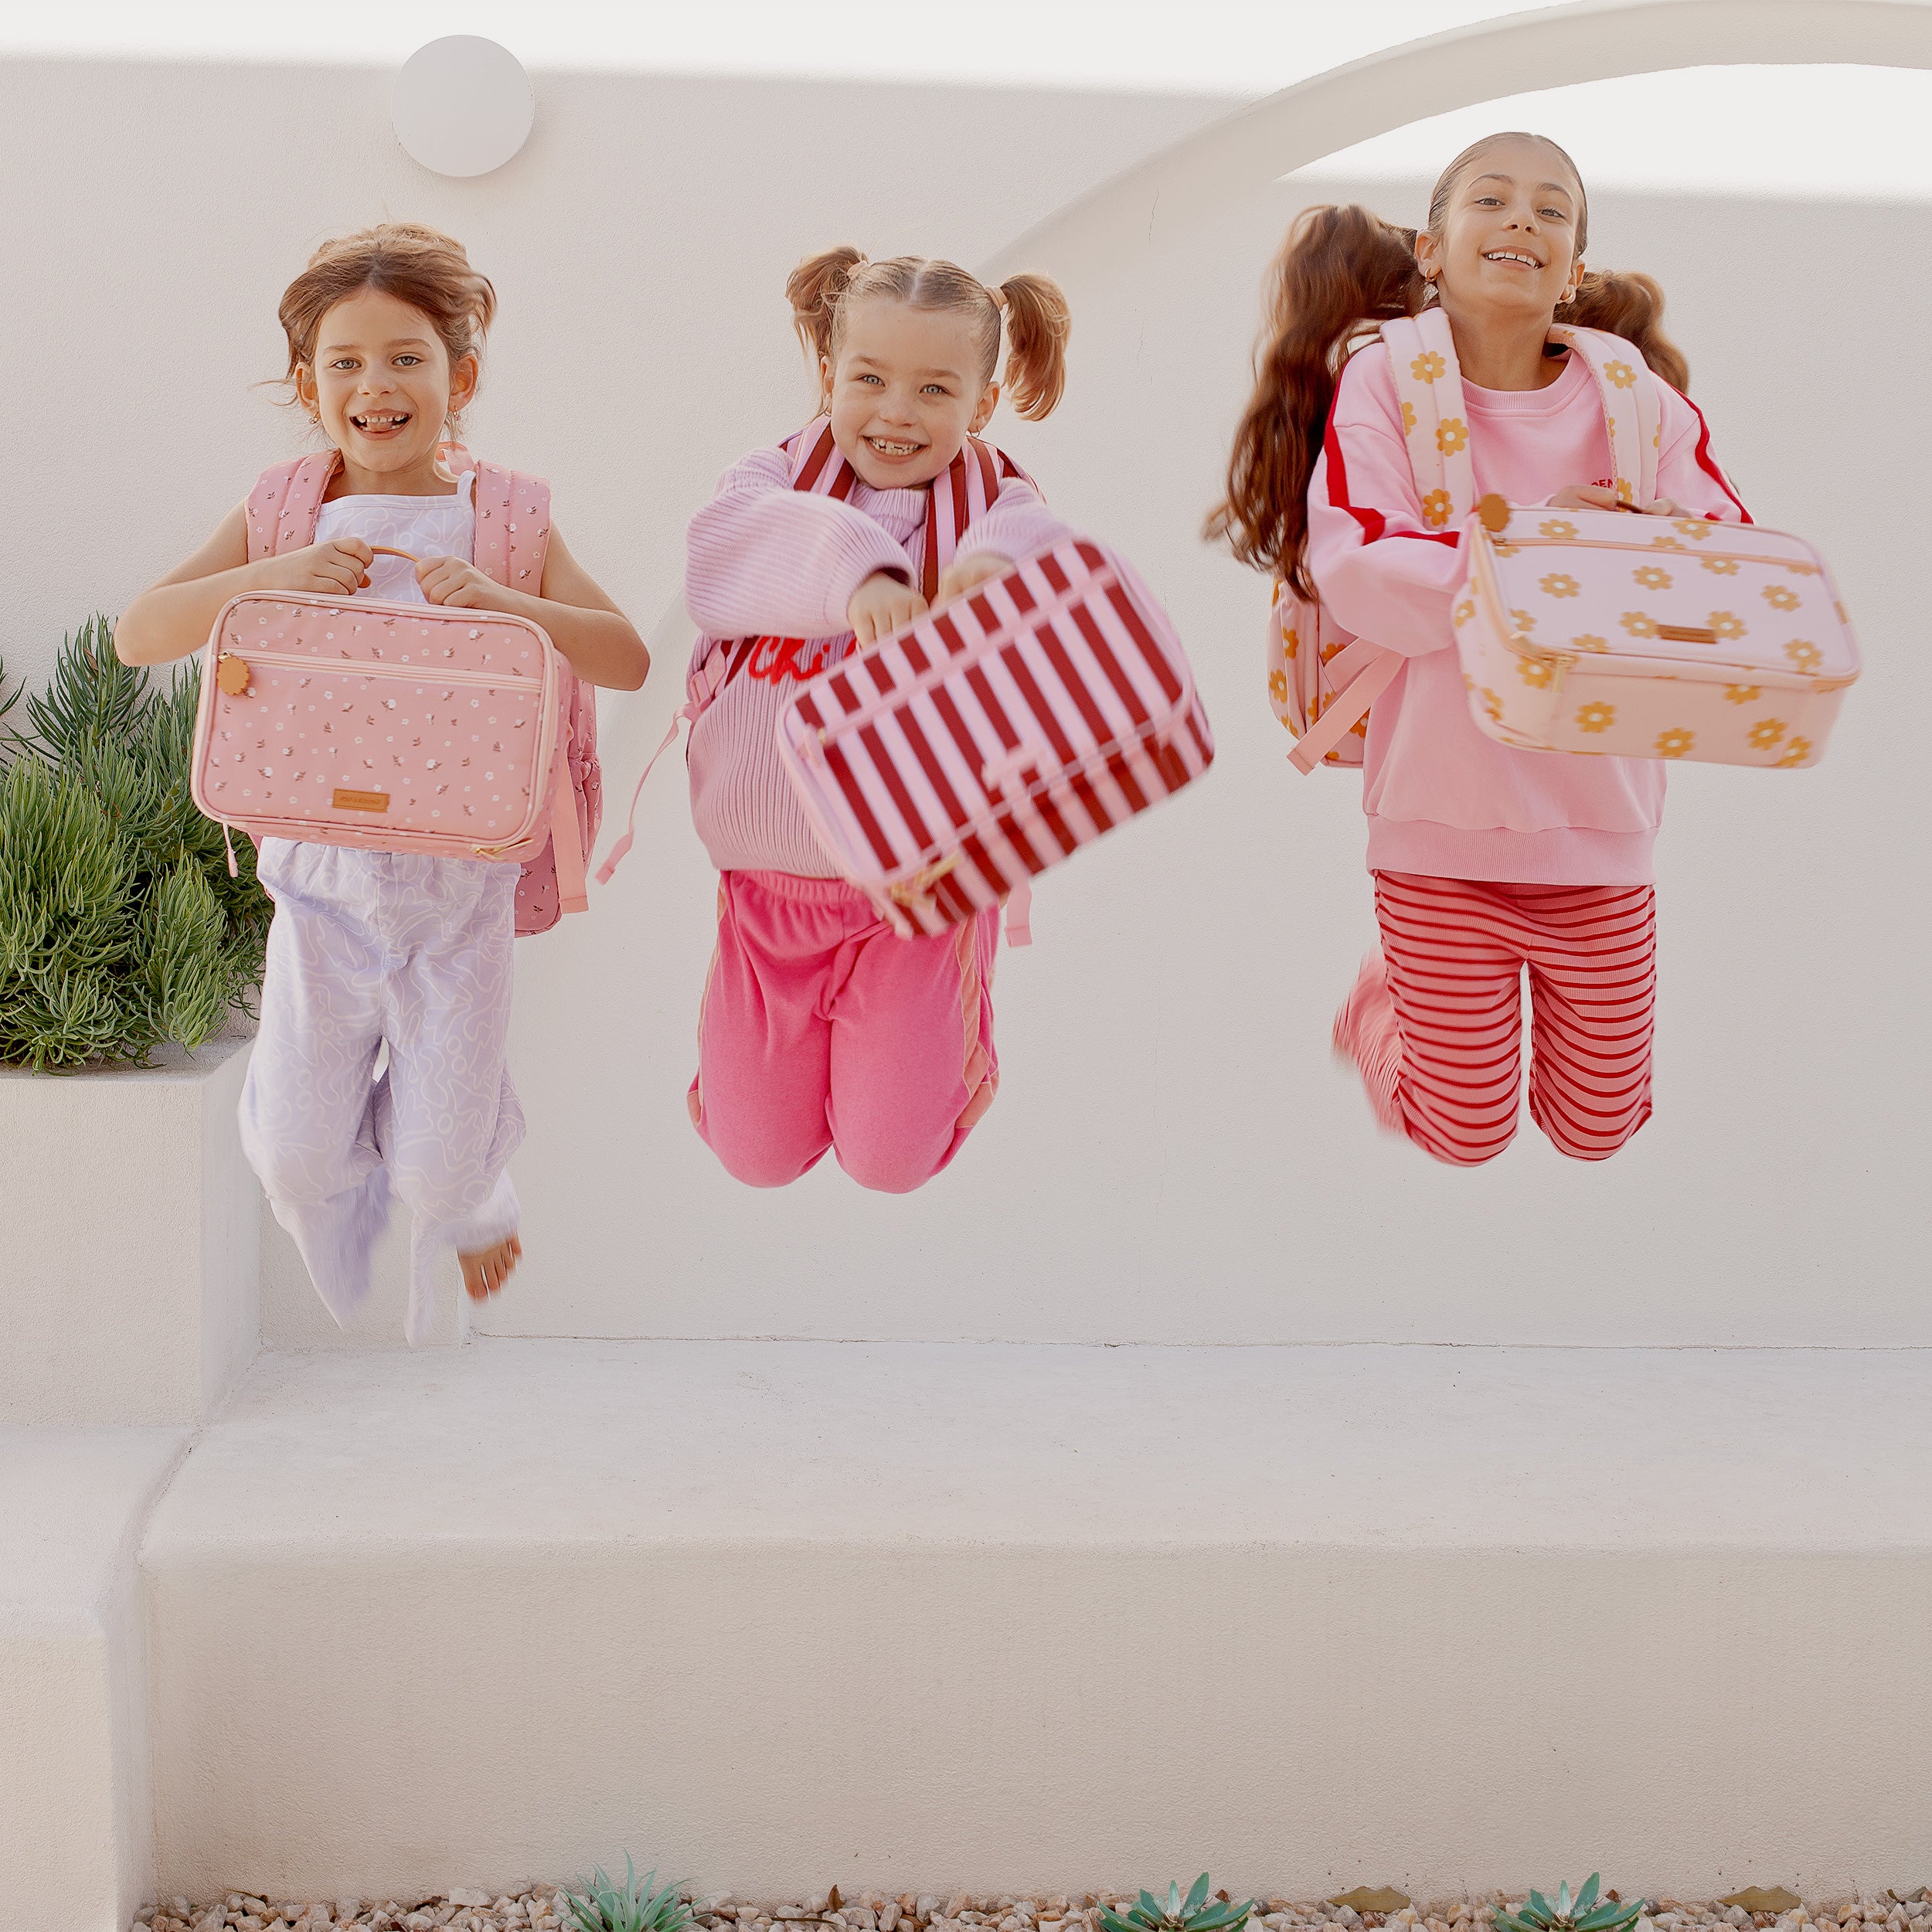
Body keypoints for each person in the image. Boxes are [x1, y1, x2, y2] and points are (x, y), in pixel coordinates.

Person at [116, 222, 649, 1335]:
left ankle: (468, 1202)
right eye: (346, 362)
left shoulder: (504, 522)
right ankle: (362, 1212)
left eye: (406, 357)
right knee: (295, 1154)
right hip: (319, 890)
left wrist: (507, 604)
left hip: (464, 900)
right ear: (307, 384)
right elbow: (140, 635)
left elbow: (626, 655)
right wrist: (274, 576)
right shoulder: (283, 513)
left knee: (444, 1173)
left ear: (460, 376)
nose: (377, 385)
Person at [1211, 134, 1748, 1165]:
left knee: (1600, 1130)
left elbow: (1717, 556)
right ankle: (1380, 1005)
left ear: (1577, 268)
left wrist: (1611, 564)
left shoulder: (1634, 403)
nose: (1522, 221)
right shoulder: (1383, 387)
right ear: (1431, 247)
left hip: (1600, 825)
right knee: (1462, 1133)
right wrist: (1547, 551)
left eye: (1553, 211)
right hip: (1437, 826)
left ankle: (1422, 1000)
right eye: (1492, 200)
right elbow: (1365, 567)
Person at [681, 248, 1073, 1191]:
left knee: (893, 1158)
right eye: (869, 379)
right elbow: (718, 557)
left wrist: (986, 579)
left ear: (981, 405)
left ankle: (958, 1021)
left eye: (934, 389)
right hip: (766, 891)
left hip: (920, 892)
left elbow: (1042, 553)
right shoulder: (775, 478)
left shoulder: (997, 501)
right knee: (756, 1155)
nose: (896, 411)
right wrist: (858, 570)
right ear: (827, 375)